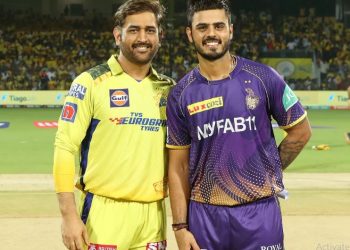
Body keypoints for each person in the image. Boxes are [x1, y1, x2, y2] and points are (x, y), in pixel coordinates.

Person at [166, 0, 312, 249]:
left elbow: (300, 132)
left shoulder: (264, 77)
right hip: (205, 216)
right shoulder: (180, 94)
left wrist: (269, 170)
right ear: (190, 34)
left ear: (230, 30)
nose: (211, 33)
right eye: (202, 27)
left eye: (218, 26)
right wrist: (180, 228)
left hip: (259, 213)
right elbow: (177, 166)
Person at [53, 1, 174, 249]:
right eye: (134, 30)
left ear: (160, 37)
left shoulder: (170, 89)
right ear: (118, 35)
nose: (143, 38)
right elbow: (64, 148)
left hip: (153, 217)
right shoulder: (90, 83)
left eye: (150, 30)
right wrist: (68, 216)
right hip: (103, 214)